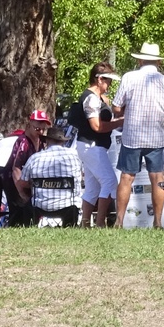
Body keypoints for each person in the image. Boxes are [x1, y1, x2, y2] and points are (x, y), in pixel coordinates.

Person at [113, 42, 164, 230]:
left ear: (140, 60)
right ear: (158, 62)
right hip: (156, 137)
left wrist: (126, 112)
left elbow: (116, 108)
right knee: (158, 178)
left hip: (132, 136)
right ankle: (157, 222)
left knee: (126, 177)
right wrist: (161, 120)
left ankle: (119, 221)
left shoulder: (129, 77)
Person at [69, 63, 121, 227]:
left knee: (93, 187)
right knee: (110, 182)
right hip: (92, 146)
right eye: (108, 80)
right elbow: (97, 126)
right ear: (99, 79)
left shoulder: (97, 98)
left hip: (91, 146)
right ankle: (100, 223)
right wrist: (120, 122)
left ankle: (85, 223)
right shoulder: (91, 98)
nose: (110, 84)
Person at [20, 125, 84, 227]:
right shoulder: (75, 156)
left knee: (27, 203)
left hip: (40, 207)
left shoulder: (34, 158)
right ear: (63, 141)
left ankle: (29, 226)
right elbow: (80, 176)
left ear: (47, 140)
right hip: (69, 207)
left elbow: (22, 183)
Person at [6, 110, 51, 227]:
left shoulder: (41, 142)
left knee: (31, 215)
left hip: (29, 182)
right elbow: (16, 168)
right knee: (17, 215)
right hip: (13, 181)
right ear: (30, 123)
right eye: (38, 126)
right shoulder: (23, 141)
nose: (41, 130)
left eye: (43, 126)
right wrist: (21, 192)